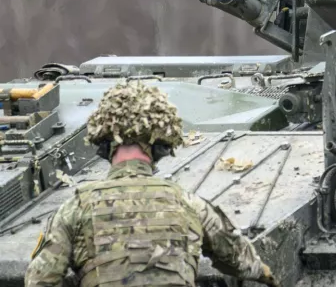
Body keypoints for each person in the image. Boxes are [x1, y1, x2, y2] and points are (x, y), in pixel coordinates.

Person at [25, 81, 279, 287]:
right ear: (160, 147)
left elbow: (40, 279)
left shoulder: (75, 209)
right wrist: (268, 277)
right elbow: (241, 262)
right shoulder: (189, 204)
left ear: (103, 145)